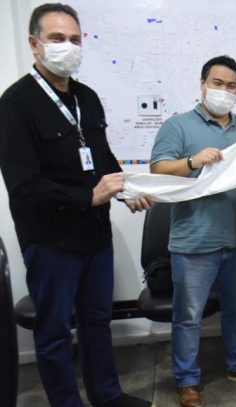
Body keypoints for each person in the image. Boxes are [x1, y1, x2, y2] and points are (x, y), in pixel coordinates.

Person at [0, 4, 153, 406]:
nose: (67, 47)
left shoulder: (87, 97)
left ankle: (107, 396)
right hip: (51, 240)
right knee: (53, 332)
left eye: (74, 39)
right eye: (56, 38)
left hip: (94, 236)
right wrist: (88, 196)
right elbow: (23, 186)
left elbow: (101, 157)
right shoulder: (15, 103)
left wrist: (125, 189)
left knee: (97, 321)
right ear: (34, 44)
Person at [150, 55, 236, 407]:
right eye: (217, 83)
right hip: (193, 241)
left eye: (232, 86)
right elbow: (158, 170)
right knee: (188, 317)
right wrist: (192, 162)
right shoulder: (178, 125)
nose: (224, 91)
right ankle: (187, 380)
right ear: (202, 84)